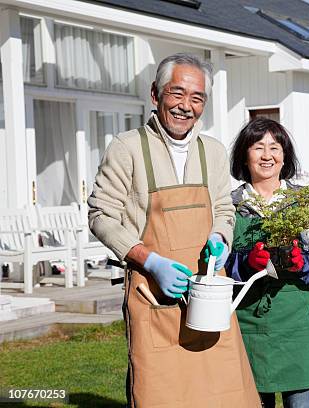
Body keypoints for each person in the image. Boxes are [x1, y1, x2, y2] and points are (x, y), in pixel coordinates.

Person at [88, 53, 260, 407]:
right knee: (161, 394)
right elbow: (101, 215)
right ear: (155, 94)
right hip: (154, 298)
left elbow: (224, 208)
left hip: (209, 297)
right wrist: (150, 262)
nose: (186, 106)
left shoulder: (211, 151)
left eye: (197, 98)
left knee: (224, 392)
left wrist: (221, 237)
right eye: (176, 93)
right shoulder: (127, 148)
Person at [225, 118, 309, 408]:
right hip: (250, 325)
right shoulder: (230, 205)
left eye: (275, 148)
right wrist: (246, 262)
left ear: (284, 156)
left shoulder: (304, 202)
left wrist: (303, 263)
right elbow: (219, 265)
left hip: (298, 328)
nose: (267, 155)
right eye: (258, 147)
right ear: (244, 155)